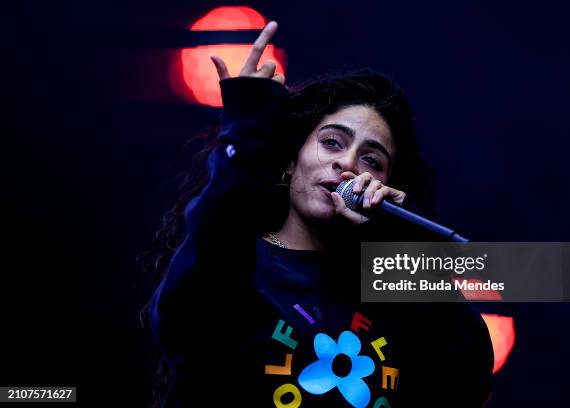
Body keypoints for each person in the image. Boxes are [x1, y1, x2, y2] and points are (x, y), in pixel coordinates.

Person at [146, 21, 493, 408]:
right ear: (291, 162)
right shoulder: (234, 260)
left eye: (372, 160)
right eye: (331, 143)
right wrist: (245, 138)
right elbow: (185, 313)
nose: (347, 164)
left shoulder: (394, 286)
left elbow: (465, 380)